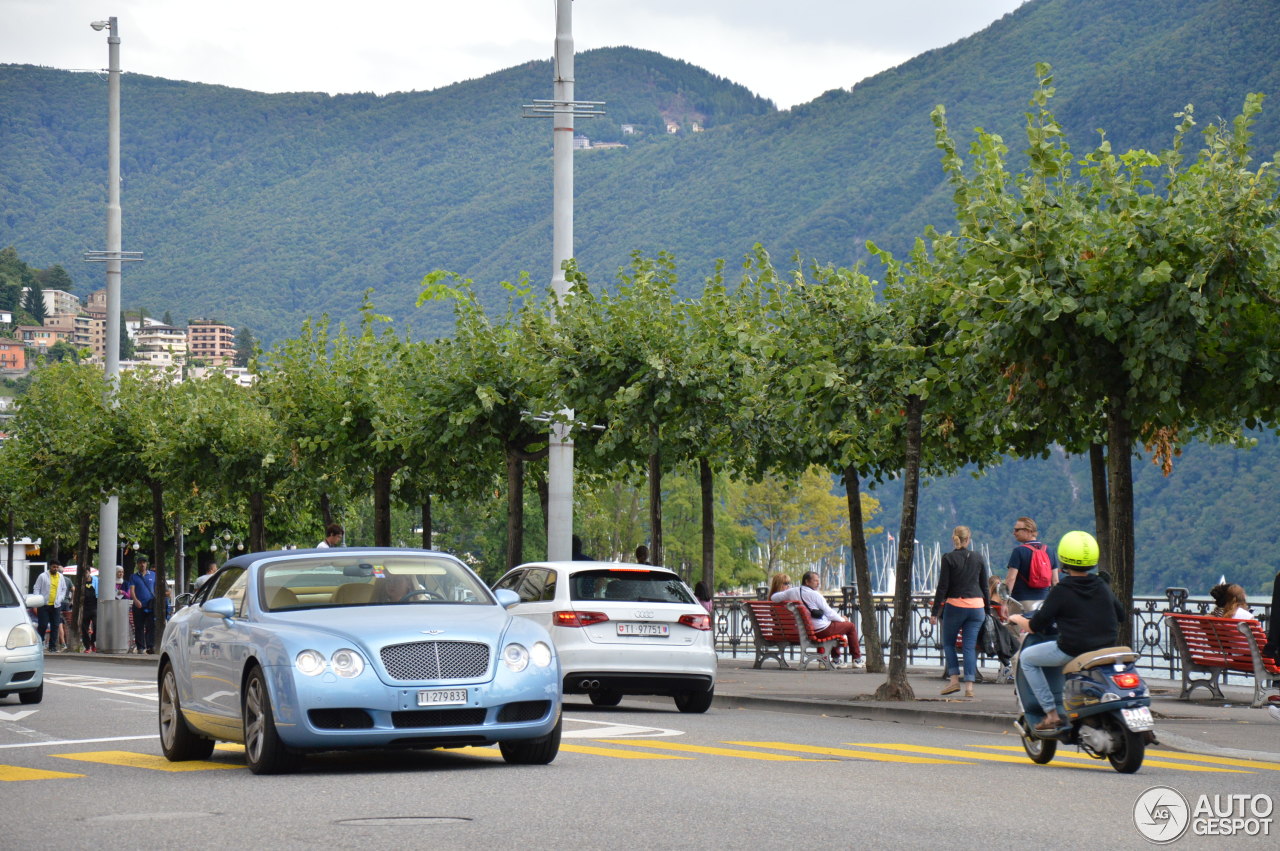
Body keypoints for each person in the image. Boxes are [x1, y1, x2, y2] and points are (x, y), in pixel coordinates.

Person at [1007, 530, 1124, 732]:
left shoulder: (1062, 590)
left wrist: (1016, 617)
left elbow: (1035, 626)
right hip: (1106, 649)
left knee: (1027, 658)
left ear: (1063, 559)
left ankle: (1051, 713)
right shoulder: (1101, 584)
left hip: (1073, 649)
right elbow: (1120, 614)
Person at [930, 526, 989, 698]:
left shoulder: (948, 558)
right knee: (969, 646)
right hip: (977, 607)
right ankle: (969, 687)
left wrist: (935, 612)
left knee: (949, 643)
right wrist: (987, 610)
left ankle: (954, 680)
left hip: (956, 606)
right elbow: (984, 585)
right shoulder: (978, 557)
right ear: (968, 539)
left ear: (953, 538)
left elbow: (943, 586)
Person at [772, 570, 863, 668]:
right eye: (815, 581)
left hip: (805, 631)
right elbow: (829, 613)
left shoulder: (792, 591)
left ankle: (833, 660)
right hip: (820, 630)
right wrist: (843, 620)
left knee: (836, 626)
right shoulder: (815, 595)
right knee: (850, 626)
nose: (818, 583)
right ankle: (856, 659)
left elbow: (774, 597)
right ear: (807, 582)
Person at [1004, 516, 1057, 611]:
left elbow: (1010, 579)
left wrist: (1004, 603)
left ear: (1028, 531)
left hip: (1021, 603)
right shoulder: (1049, 551)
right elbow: (1055, 581)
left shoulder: (1018, 551)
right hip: (1043, 603)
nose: (1014, 533)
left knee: (1016, 626)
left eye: (1017, 530)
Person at [31, 560, 70, 652]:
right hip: (44, 605)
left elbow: (64, 589)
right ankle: (40, 644)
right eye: (53, 567)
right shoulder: (42, 576)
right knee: (43, 625)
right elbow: (36, 588)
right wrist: (38, 599)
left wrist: (60, 598)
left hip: (56, 605)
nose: (55, 569)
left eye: (57, 567)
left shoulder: (60, 577)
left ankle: (52, 646)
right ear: (50, 567)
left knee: (55, 625)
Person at [128, 556, 157, 654]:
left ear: (147, 564)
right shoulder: (133, 576)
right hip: (138, 605)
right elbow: (132, 590)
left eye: (144, 562)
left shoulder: (153, 575)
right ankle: (140, 647)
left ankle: (150, 646)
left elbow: (157, 588)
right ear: (137, 564)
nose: (142, 564)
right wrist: (135, 600)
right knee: (139, 626)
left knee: (151, 626)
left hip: (150, 605)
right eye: (140, 562)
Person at [80, 571, 98, 652]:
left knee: (96, 626)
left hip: (95, 607)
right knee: (84, 629)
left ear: (89, 572)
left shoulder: (96, 580)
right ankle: (87, 646)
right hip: (85, 609)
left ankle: (92, 642)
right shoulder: (80, 582)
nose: (84, 574)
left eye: (86, 572)